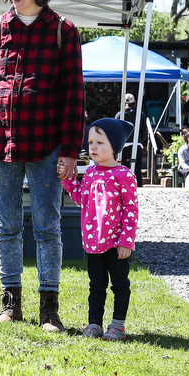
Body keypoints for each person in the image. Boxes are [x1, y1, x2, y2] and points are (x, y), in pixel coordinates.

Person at [0, 0, 85, 331]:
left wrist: (69, 151)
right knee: (7, 226)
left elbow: (73, 96)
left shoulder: (63, 32)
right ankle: (10, 304)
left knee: (48, 226)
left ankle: (50, 310)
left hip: (47, 144)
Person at [61, 118, 138, 341]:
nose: (93, 147)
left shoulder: (124, 175)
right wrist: (68, 181)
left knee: (120, 284)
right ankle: (94, 324)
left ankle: (118, 325)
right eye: (91, 142)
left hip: (116, 244)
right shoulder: (91, 173)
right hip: (94, 242)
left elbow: (131, 211)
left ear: (114, 147)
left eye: (100, 142)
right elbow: (82, 199)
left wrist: (126, 241)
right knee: (96, 285)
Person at [114, 93, 146, 187]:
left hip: (124, 144)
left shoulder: (120, 114)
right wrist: (140, 140)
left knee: (123, 168)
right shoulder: (140, 114)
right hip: (137, 144)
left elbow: (116, 131)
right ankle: (138, 187)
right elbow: (144, 131)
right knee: (137, 169)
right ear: (135, 103)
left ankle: (124, 186)